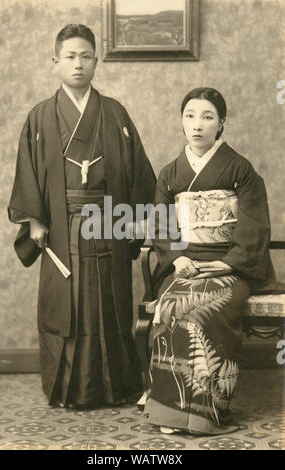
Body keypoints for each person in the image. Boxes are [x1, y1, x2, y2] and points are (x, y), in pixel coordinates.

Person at [8, 24, 156, 409]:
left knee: (108, 304)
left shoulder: (115, 113)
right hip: (62, 225)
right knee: (68, 307)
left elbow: (139, 172)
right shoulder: (40, 117)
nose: (78, 64)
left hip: (108, 223)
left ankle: (117, 385)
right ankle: (69, 389)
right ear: (55, 61)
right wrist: (34, 220)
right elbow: (27, 172)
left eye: (86, 56)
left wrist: (137, 217)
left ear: (96, 61)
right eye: (70, 56)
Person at [144, 87, 280, 435]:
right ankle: (169, 412)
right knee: (172, 306)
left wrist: (231, 263)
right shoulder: (170, 173)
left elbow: (255, 222)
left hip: (229, 266)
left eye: (207, 117)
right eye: (190, 115)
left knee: (211, 305)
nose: (197, 124)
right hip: (186, 263)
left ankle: (208, 413)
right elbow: (160, 223)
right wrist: (175, 259)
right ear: (181, 121)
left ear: (221, 123)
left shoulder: (240, 168)